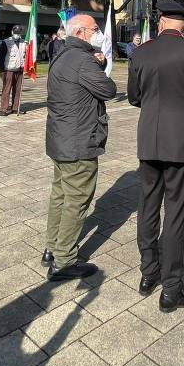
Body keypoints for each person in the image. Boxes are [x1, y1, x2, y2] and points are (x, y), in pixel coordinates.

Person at [128, 0, 184, 311]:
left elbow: (133, 96)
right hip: (182, 143)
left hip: (149, 141)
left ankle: (148, 274)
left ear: (161, 21)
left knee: (147, 208)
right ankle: (172, 289)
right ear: (183, 24)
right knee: (176, 215)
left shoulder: (142, 51)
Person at [43, 14, 117, 281]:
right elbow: (108, 89)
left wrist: (100, 60)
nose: (99, 34)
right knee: (77, 199)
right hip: (79, 141)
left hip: (60, 139)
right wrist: (100, 65)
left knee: (60, 196)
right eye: (96, 29)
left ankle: (52, 247)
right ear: (83, 32)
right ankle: (64, 261)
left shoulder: (61, 55)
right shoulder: (83, 60)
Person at [0, 25, 27, 116]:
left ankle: (15, 108)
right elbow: (1, 58)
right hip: (8, 70)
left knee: (18, 90)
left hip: (20, 69)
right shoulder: (6, 42)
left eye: (19, 33)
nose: (17, 34)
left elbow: (25, 56)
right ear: (12, 32)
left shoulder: (24, 42)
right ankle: (3, 109)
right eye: (16, 33)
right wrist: (1, 71)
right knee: (6, 90)